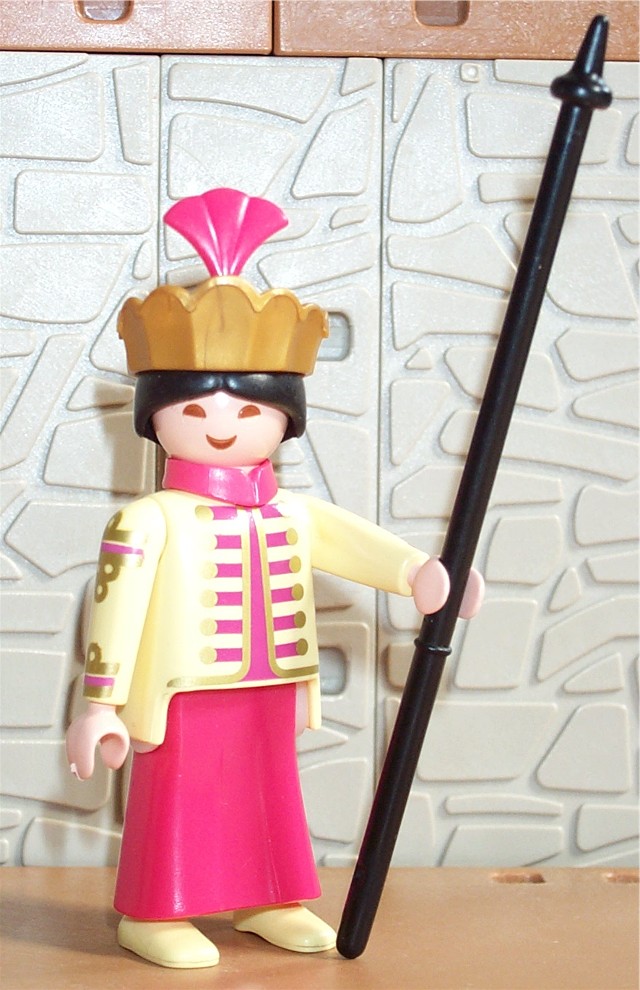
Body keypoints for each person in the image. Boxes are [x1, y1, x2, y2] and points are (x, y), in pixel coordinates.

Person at [66, 188, 483, 969]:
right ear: (157, 417)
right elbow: (112, 616)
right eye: (196, 410)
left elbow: (356, 545)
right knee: (180, 798)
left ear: (284, 416)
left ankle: (269, 897)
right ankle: (154, 910)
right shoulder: (148, 520)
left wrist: (419, 573)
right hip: (182, 691)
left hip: (273, 683)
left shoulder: (290, 512)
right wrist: (99, 707)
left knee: (268, 795)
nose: (224, 426)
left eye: (249, 410)